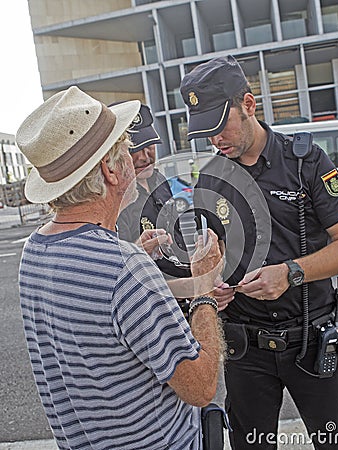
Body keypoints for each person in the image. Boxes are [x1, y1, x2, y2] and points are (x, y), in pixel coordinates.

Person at [16, 85, 224, 450]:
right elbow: (201, 387)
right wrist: (204, 285)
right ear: (110, 171)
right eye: (126, 149)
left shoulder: (34, 251)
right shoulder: (125, 270)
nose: (135, 156)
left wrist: (131, 258)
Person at [180, 55, 338, 449]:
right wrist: (216, 286)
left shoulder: (306, 162)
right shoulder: (211, 178)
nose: (215, 140)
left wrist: (290, 273)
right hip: (246, 350)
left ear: (248, 105)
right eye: (206, 132)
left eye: (220, 125)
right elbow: (215, 258)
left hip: (311, 341)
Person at [117, 103, 191, 281]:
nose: (145, 156)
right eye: (134, 149)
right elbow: (116, 269)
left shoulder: (160, 180)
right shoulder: (115, 200)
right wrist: (137, 252)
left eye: (149, 145)